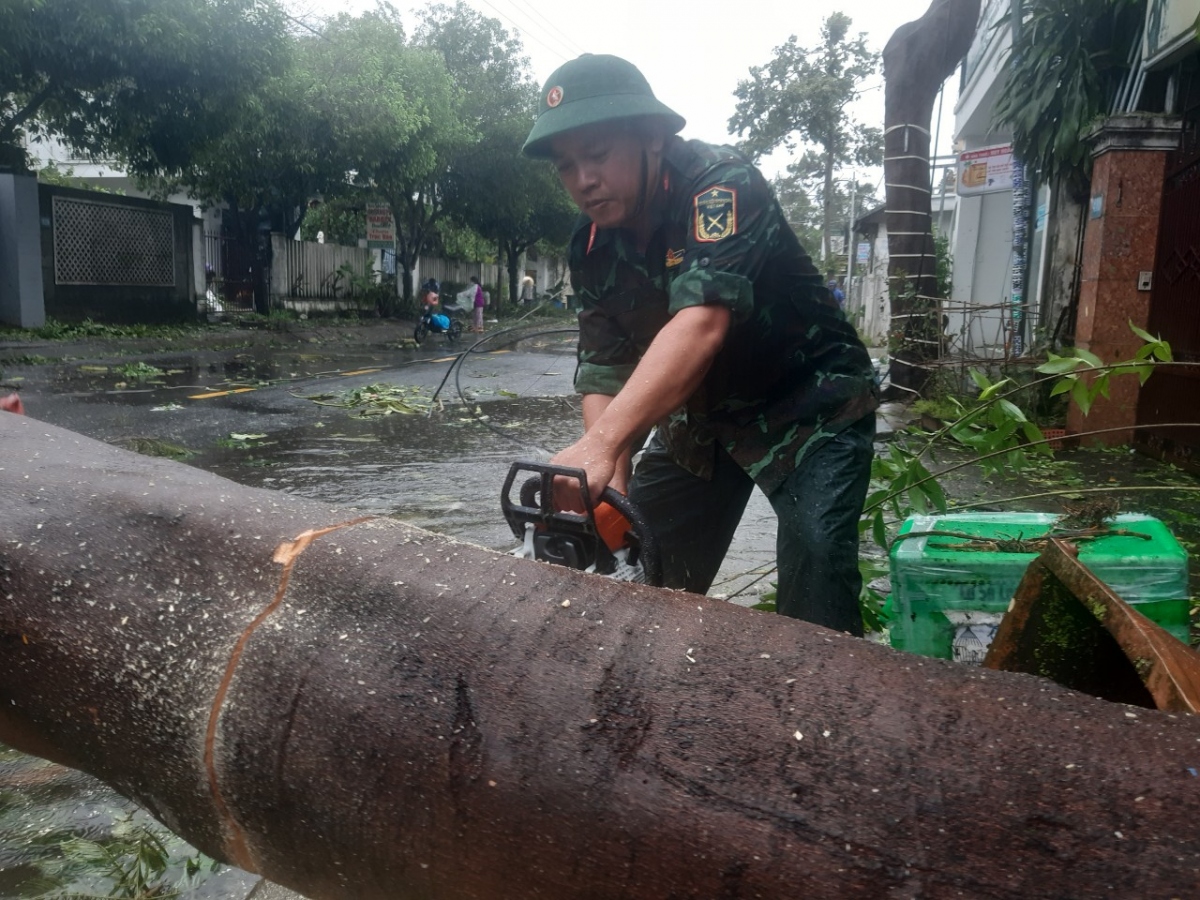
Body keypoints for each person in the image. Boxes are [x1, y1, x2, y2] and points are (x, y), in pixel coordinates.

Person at [522, 54, 879, 635]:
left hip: (810, 405)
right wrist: (609, 463)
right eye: (566, 166)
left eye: (598, 155)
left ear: (654, 138)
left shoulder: (719, 188)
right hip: (702, 416)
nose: (583, 180)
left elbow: (701, 324)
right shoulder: (588, 246)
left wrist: (605, 442)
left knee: (816, 570)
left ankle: (823, 711)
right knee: (644, 561)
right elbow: (604, 367)